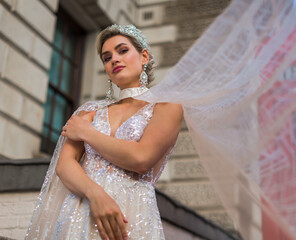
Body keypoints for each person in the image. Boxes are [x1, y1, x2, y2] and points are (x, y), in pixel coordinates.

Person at [26, 24, 183, 240]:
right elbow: (65, 165)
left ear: (144, 56)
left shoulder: (166, 106)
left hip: (131, 213)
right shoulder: (90, 111)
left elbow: (141, 158)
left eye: (123, 50)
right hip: (80, 209)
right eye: (107, 57)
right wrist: (95, 194)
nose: (114, 60)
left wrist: (86, 133)